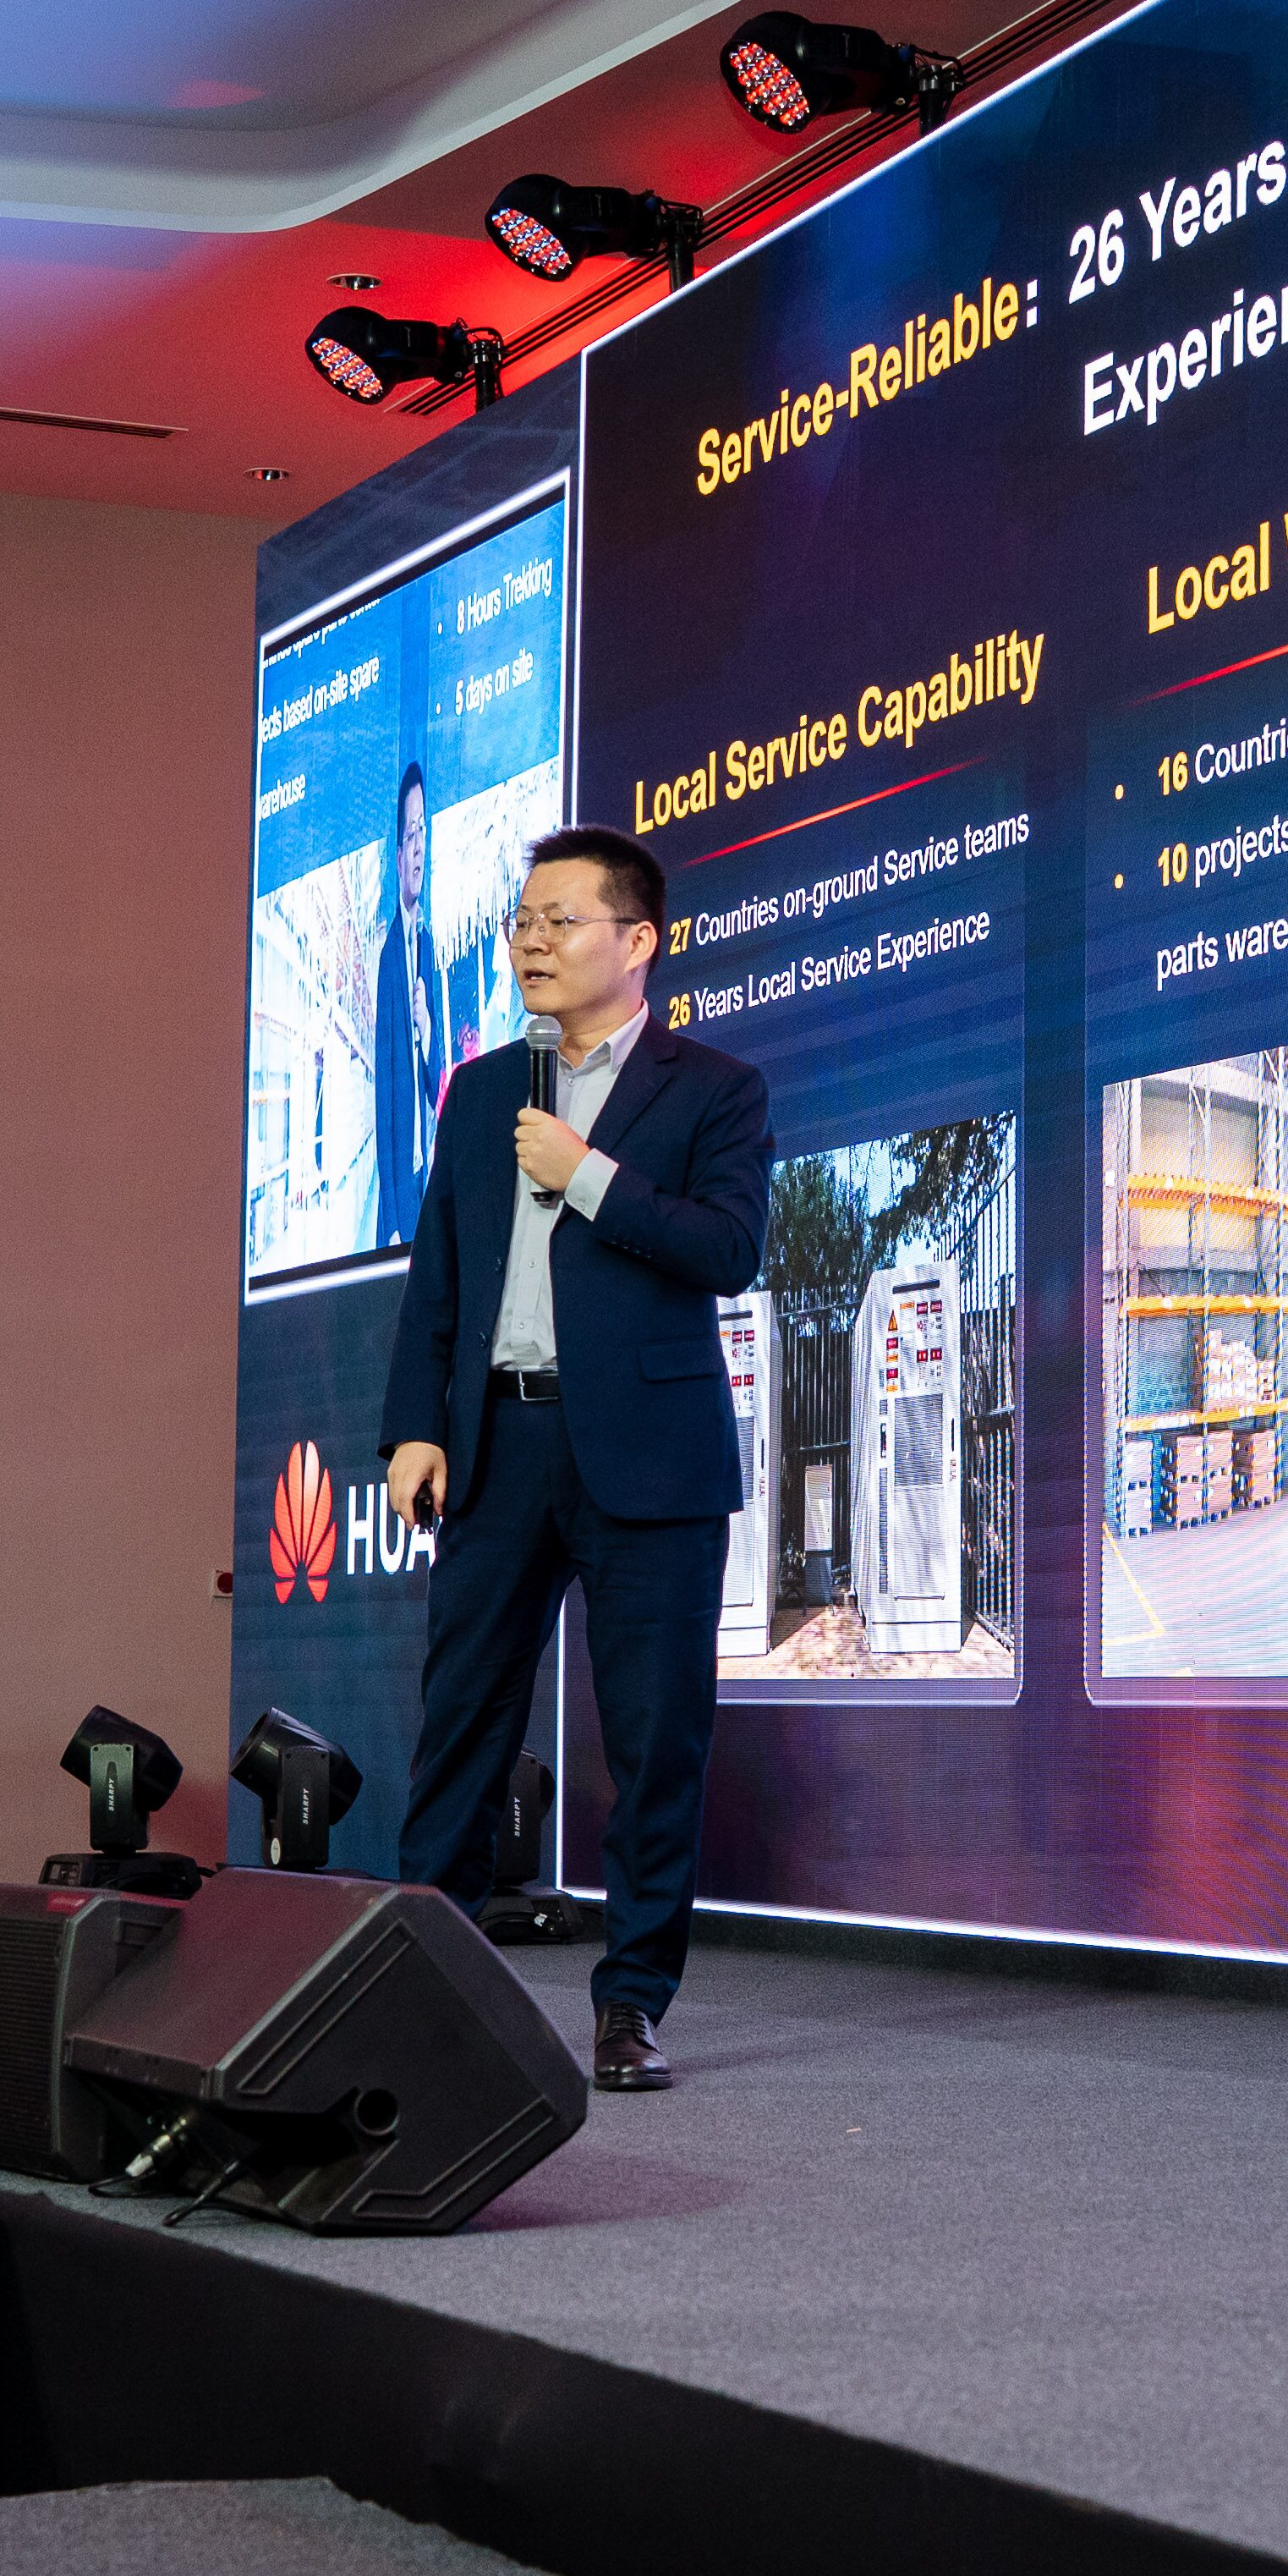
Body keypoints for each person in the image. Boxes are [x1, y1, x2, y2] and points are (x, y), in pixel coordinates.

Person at [380, 826, 770, 2092]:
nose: (531, 944)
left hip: (651, 1456)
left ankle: (632, 2002)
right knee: (461, 1726)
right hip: (499, 1442)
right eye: (523, 923)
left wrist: (590, 1175)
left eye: (560, 921)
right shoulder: (484, 1089)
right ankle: (416, 1989)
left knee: (655, 1740)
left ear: (637, 939)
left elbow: (729, 1249)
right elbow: (440, 1272)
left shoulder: (714, 1088)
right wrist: (416, 1424)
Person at [369, 762, 440, 1250]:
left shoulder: (427, 946)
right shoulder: (389, 959)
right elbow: (385, 1098)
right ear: (397, 857)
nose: (419, 848)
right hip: (402, 1199)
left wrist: (429, 1029)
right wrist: (392, 1215)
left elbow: (435, 1083)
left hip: (427, 1179)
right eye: (411, 834)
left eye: (423, 832)